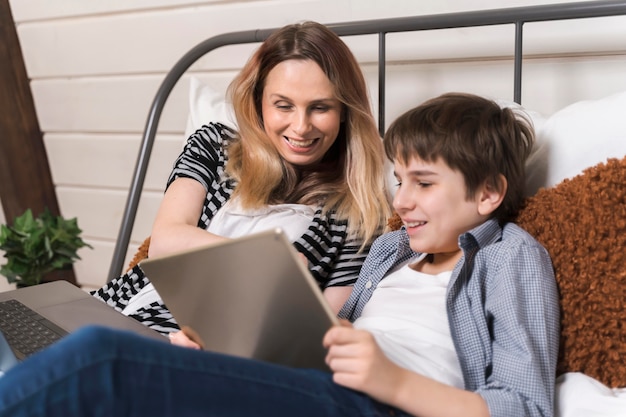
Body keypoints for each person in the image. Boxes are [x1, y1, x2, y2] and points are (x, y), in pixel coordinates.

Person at [0, 93, 560, 417]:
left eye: (423, 183)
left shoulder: (511, 258)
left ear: (487, 192)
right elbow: (325, 335)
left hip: (381, 403)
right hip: (321, 387)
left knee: (105, 357)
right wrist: (233, 345)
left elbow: (526, 407)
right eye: (397, 180)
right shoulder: (390, 251)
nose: (401, 200)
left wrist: (391, 382)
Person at [92, 21, 391, 332]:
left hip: (199, 352)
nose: (301, 126)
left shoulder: (358, 211)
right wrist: (270, 264)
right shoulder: (215, 146)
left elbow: (322, 335)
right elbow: (165, 242)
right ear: (259, 102)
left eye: (320, 107)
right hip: (111, 309)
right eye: (283, 105)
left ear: (344, 110)